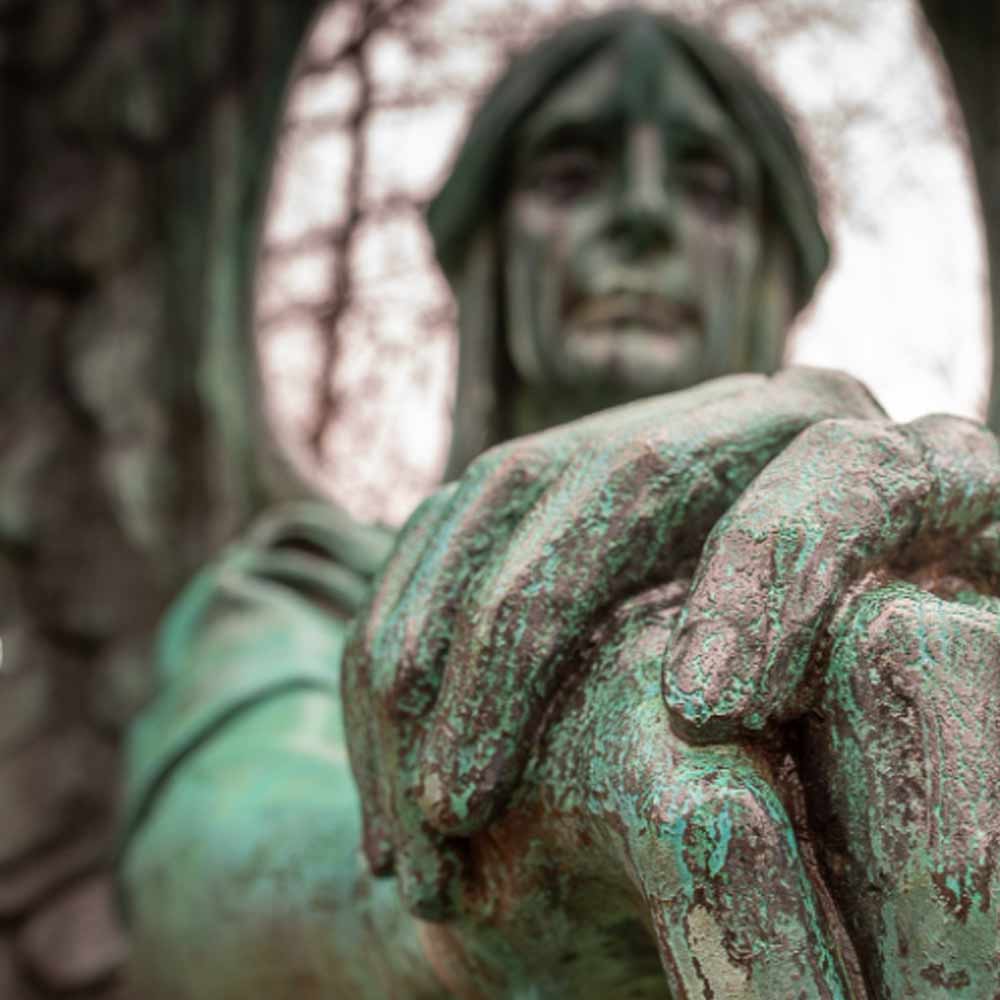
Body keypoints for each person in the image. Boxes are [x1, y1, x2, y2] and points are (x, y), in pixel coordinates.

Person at [120, 9, 1000, 998]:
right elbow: (199, 878)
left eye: (708, 184)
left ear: (776, 265)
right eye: (568, 174)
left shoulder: (935, 571)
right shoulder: (314, 587)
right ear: (483, 254)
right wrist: (483, 891)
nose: (641, 215)